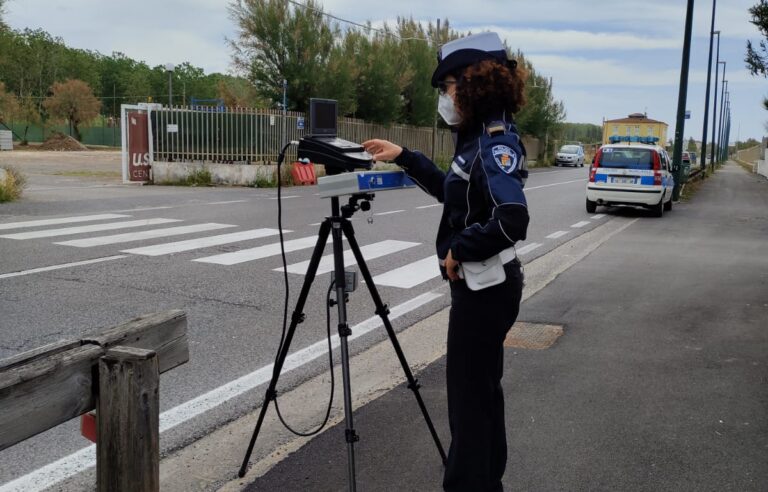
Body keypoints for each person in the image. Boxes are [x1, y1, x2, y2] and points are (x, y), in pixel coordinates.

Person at [363, 32, 529, 492]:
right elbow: (455, 195)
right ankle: (487, 482)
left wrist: (462, 247)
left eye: (448, 85)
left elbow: (512, 217)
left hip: (485, 289)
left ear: (474, 83)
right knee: (482, 395)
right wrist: (407, 158)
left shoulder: (495, 142)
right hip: (484, 287)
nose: (445, 96)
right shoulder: (475, 136)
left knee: (469, 405)